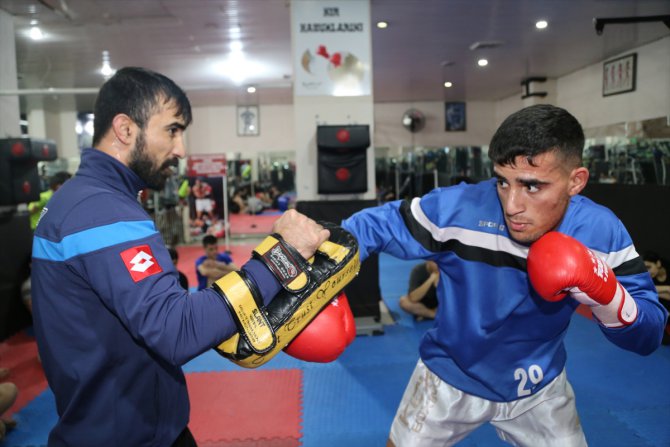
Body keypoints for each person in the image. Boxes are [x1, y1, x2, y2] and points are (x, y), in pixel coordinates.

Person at [30, 67, 330, 446]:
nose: (181, 149)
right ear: (125, 129)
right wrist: (282, 258)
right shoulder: (102, 210)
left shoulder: (80, 200)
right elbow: (175, 331)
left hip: (125, 423)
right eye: (172, 129)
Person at [341, 104, 667, 447]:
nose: (512, 204)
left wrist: (608, 297)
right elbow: (373, 225)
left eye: (532, 186)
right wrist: (320, 252)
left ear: (576, 182)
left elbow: (649, 334)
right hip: (448, 376)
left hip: (539, 389)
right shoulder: (459, 208)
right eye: (502, 181)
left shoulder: (599, 233)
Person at [643, 251, 670, 344]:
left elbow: (650, 290)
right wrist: (667, 288)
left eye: (649, 267)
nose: (648, 272)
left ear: (658, 263)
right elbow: (645, 290)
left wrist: (655, 291)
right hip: (661, 306)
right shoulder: (648, 277)